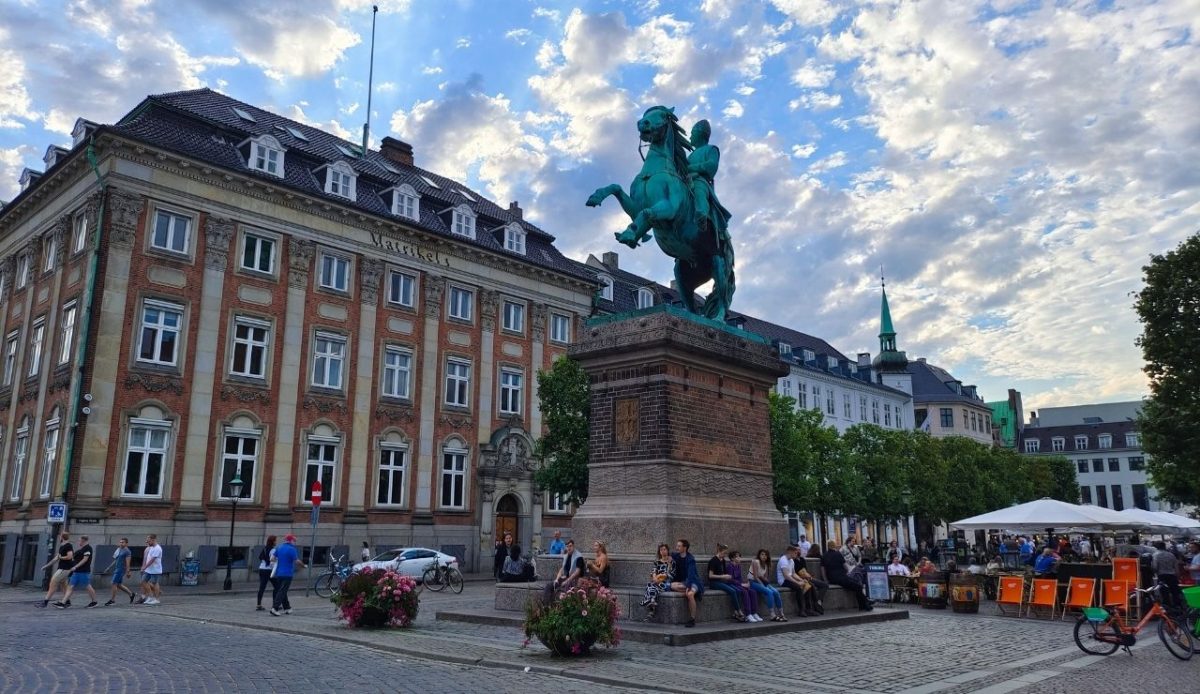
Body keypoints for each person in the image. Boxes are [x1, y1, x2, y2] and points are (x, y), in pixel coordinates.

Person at [822, 540, 872, 611]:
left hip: (832, 578)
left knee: (856, 584)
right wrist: (848, 572)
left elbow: (822, 569)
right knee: (858, 585)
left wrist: (826, 580)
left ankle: (865, 603)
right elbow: (845, 566)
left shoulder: (824, 555)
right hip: (841, 577)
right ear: (834, 545)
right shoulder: (838, 554)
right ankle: (863, 605)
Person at [56, 535, 98, 608]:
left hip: (83, 571)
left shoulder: (88, 548)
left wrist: (75, 566)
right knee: (70, 587)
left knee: (87, 586)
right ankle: (63, 602)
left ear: (83, 541)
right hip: (76, 572)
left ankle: (94, 602)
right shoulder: (82, 549)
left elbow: (85, 559)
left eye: (79, 540)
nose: (78, 542)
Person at [707, 543, 746, 622]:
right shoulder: (713, 561)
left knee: (737, 590)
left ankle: (735, 613)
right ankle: (739, 611)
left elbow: (724, 573)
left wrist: (727, 576)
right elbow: (710, 576)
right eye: (724, 553)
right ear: (719, 551)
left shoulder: (723, 561)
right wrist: (723, 576)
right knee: (732, 591)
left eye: (726, 553)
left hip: (722, 581)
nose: (725, 555)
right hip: (714, 583)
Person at [269, 534, 305, 616]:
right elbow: (296, 561)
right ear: (291, 541)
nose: (294, 542)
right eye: (294, 541)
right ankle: (275, 608)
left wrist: (280, 560)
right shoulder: (292, 549)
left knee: (282, 590)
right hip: (287, 573)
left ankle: (287, 608)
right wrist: (303, 565)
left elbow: (272, 559)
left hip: (279, 573)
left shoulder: (279, 547)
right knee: (282, 591)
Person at [670, 539, 703, 627]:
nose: (677, 548)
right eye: (677, 546)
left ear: (685, 548)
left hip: (694, 581)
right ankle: (682, 587)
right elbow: (665, 555)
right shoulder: (675, 556)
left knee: (690, 594)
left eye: (679, 546)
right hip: (682, 582)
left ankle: (692, 619)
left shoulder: (690, 559)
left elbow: (691, 574)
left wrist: (688, 585)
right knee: (671, 585)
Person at [37, 531, 74, 608]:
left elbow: (70, 556)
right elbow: (56, 558)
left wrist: (61, 557)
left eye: (60, 536)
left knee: (53, 583)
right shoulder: (62, 546)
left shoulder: (68, 545)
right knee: (63, 585)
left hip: (64, 569)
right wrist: (46, 566)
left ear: (62, 537)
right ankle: (67, 602)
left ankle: (45, 602)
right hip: (62, 569)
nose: (59, 537)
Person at [639, 544, 675, 620]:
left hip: (666, 583)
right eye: (661, 550)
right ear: (659, 552)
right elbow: (653, 571)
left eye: (664, 549)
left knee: (650, 586)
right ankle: (652, 602)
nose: (663, 551)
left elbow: (672, 575)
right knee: (650, 584)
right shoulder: (657, 562)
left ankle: (650, 604)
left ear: (668, 550)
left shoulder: (672, 562)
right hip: (657, 582)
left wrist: (660, 577)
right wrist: (655, 577)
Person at [776, 544, 812, 617]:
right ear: (790, 552)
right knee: (799, 588)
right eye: (795, 553)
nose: (797, 554)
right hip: (783, 581)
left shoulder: (791, 560)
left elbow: (793, 573)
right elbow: (786, 576)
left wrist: (802, 580)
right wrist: (798, 583)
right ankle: (801, 610)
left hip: (789, 579)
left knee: (807, 585)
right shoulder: (783, 560)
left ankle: (808, 609)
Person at [750, 549, 785, 622]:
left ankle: (781, 613)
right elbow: (755, 577)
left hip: (762, 581)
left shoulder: (766, 564)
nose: (764, 556)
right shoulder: (755, 562)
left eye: (766, 555)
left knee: (776, 592)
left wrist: (766, 584)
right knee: (769, 592)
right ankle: (772, 614)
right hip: (753, 582)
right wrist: (763, 586)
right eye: (762, 554)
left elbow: (765, 577)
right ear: (759, 555)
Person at [1151, 540, 1184, 615]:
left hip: (1162, 576)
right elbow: (1176, 567)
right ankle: (1178, 608)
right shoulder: (1171, 555)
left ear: (1156, 547)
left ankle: (1168, 610)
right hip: (1172, 576)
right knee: (1175, 592)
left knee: (1165, 593)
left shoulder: (1155, 555)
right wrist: (1178, 576)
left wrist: (1154, 572)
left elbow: (1155, 567)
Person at [105, 538, 135, 606]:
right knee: (118, 584)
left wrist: (128, 571)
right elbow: (116, 559)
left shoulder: (127, 551)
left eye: (123, 542)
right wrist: (109, 567)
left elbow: (128, 562)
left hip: (121, 569)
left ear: (126, 543)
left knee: (113, 583)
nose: (121, 543)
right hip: (117, 568)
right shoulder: (119, 549)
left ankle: (112, 600)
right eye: (120, 542)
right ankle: (131, 594)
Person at [137, 534, 164, 606]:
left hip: (155, 569)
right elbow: (147, 558)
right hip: (149, 569)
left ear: (153, 540)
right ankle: (150, 596)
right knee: (143, 581)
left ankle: (156, 599)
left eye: (149, 541)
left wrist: (145, 567)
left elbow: (152, 560)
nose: (147, 543)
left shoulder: (158, 548)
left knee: (155, 583)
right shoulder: (151, 547)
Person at [255, 535, 277, 611]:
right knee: (277, 586)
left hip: (262, 568)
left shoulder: (264, 548)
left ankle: (258, 604)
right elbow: (272, 561)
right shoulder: (273, 550)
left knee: (262, 587)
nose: (276, 542)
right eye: (275, 540)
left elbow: (260, 557)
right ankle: (275, 604)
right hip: (269, 570)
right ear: (273, 541)